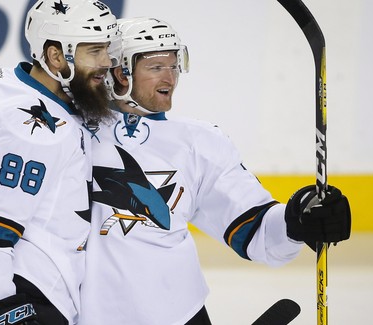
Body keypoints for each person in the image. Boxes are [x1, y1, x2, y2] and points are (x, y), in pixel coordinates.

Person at [79, 17, 351, 325]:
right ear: (119, 72)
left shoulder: (200, 143)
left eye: (174, 65)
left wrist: (297, 218)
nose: (170, 76)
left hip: (178, 314)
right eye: (156, 67)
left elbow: (256, 229)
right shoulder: (67, 131)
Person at [0, 1, 121, 324]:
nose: (106, 62)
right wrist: (3, 314)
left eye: (106, 49)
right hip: (22, 297)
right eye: (94, 51)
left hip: (24, 290)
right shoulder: (33, 129)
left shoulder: (19, 86)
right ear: (55, 56)